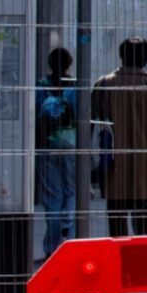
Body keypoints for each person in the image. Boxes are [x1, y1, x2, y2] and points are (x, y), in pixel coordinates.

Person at [94, 37, 147, 237]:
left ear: (121, 56)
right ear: (146, 58)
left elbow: (91, 123)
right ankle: (141, 252)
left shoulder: (104, 84)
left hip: (113, 160)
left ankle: (118, 253)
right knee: (141, 207)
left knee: (115, 209)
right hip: (144, 161)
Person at [35, 48, 80, 257]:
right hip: (70, 146)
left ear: (50, 64)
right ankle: (67, 236)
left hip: (47, 146)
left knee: (52, 197)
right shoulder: (75, 87)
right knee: (71, 192)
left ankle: (52, 248)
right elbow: (82, 118)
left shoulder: (40, 87)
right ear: (69, 64)